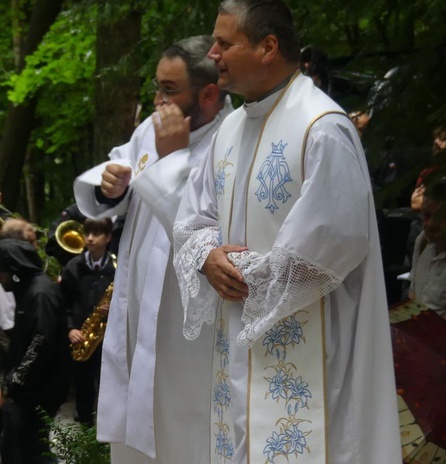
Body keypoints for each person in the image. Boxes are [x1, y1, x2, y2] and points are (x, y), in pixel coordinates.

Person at [171, 1, 400, 462]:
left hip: (309, 349)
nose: (212, 54)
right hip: (236, 347)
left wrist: (237, 269)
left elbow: (331, 244)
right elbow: (193, 218)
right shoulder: (230, 128)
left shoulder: (322, 127)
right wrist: (205, 255)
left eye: (224, 42)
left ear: (268, 47)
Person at [73, 35, 232, 463]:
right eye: (157, 87)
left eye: (169, 89)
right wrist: (109, 184)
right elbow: (121, 166)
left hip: (187, 331)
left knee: (182, 434)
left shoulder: (232, 142)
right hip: (135, 311)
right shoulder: (153, 126)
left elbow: (202, 232)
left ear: (210, 94)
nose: (158, 99)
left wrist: (174, 158)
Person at [0, 238, 69, 464]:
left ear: (14, 271)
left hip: (36, 394)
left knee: (29, 453)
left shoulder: (40, 294)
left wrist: (7, 389)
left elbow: (39, 346)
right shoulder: (32, 291)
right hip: (28, 393)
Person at [59, 217, 115, 426]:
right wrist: (70, 328)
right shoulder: (74, 267)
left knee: (107, 384)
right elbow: (63, 302)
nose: (90, 239)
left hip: (108, 337)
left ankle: (106, 429)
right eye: (87, 233)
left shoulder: (116, 267)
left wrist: (115, 307)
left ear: (108, 237)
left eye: (96, 234)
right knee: (82, 386)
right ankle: (84, 425)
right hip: (81, 336)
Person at [409, 177, 446, 318]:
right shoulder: (422, 240)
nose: (431, 224)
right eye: (426, 215)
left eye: (441, 217)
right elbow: (413, 294)